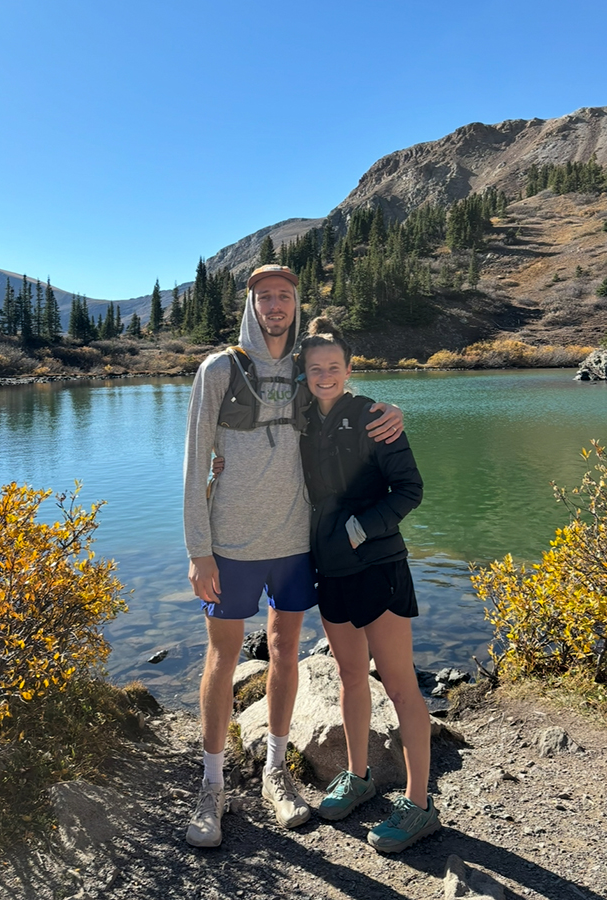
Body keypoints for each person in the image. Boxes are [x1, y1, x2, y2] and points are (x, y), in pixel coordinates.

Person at [183, 264, 403, 848]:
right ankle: (211, 787)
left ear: (296, 303)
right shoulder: (220, 369)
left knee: (285, 652)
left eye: (284, 296)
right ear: (250, 304)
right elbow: (192, 462)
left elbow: (344, 398)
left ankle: (276, 774)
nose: (275, 305)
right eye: (265, 296)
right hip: (230, 545)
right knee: (222, 659)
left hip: (297, 544)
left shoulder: (307, 372)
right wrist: (197, 550)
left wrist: (394, 413)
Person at [298, 316, 440, 853]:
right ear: (305, 373)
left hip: (378, 569)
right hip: (330, 573)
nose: (326, 375)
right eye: (316, 368)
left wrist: (360, 529)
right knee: (351, 676)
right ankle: (357, 778)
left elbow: (409, 489)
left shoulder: (376, 418)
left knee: (401, 685)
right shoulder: (302, 420)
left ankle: (420, 804)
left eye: (335, 367)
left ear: (349, 369)